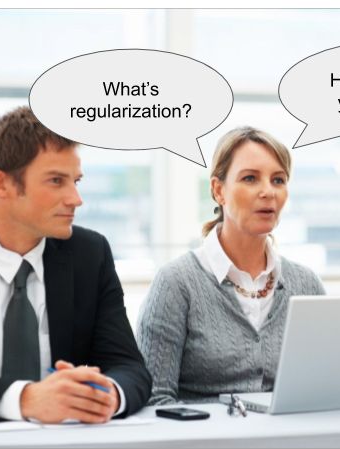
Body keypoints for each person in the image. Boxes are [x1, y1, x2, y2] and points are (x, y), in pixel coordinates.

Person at [0, 106, 152, 423]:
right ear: (1, 184)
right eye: (56, 181)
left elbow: (129, 367)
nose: (76, 198)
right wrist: (25, 399)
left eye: (76, 181)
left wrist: (107, 395)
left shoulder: (90, 254)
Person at [137, 126, 325, 405]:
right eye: (250, 178)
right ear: (218, 190)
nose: (268, 192)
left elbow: (324, 387)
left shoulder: (306, 284)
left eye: (278, 180)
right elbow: (154, 399)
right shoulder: (176, 283)